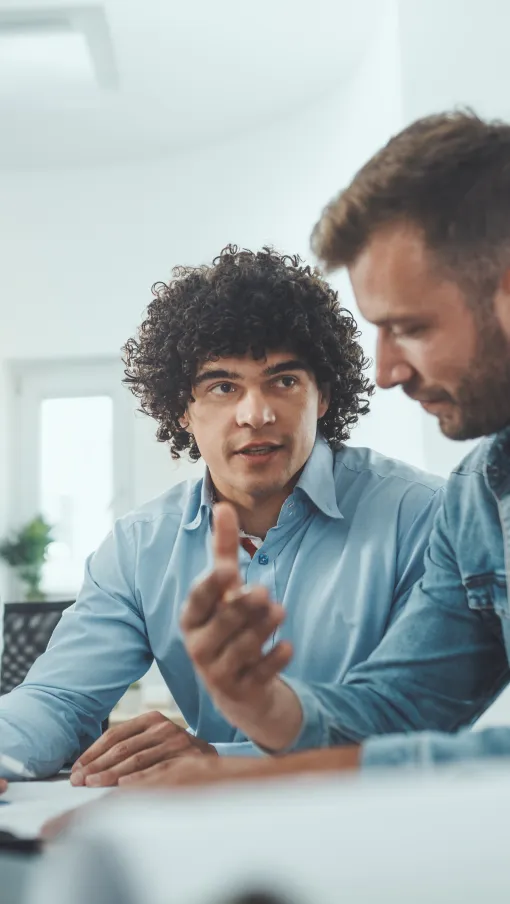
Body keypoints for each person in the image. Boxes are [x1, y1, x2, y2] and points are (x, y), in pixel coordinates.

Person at [118, 109, 510, 789]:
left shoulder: (425, 502)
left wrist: (249, 783)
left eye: (409, 328)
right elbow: (401, 709)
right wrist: (264, 704)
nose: (386, 371)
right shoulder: (479, 493)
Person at [0, 246, 443, 790]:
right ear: (182, 411)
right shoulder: (140, 547)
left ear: (323, 394)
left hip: (386, 827)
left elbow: (421, 726)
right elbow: (59, 698)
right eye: (222, 386)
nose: (254, 413)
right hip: (207, 837)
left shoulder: (421, 516)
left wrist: (222, 760)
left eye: (283, 381)